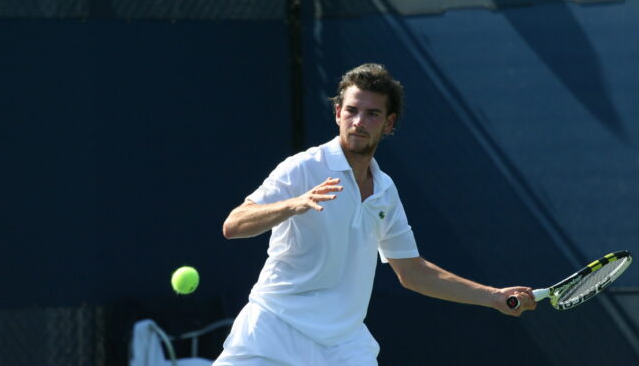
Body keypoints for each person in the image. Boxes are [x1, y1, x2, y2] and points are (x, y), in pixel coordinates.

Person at [213, 63, 536, 366]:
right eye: (351, 111)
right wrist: (294, 204)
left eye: (371, 114)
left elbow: (412, 271)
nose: (358, 122)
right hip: (273, 330)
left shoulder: (384, 190)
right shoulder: (303, 168)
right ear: (338, 113)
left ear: (388, 122)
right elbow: (234, 224)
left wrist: (492, 297)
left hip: (344, 345)